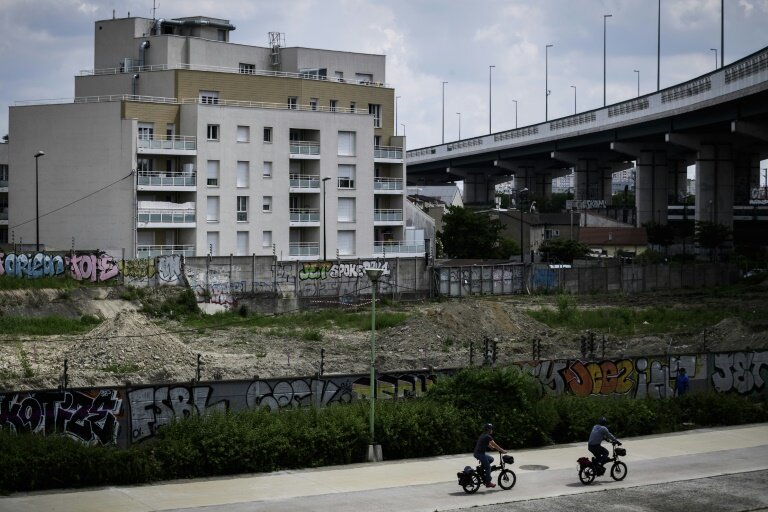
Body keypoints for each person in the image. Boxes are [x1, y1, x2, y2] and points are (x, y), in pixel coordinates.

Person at [473, 423, 507, 488]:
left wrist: (490, 446)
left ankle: (482, 470)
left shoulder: (483, 435)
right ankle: (488, 483)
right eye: (491, 429)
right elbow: (494, 444)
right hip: (480, 454)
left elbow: (486, 442)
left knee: (491, 459)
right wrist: (502, 450)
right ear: (488, 429)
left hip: (478, 453)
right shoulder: (488, 436)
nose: (492, 430)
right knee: (488, 467)